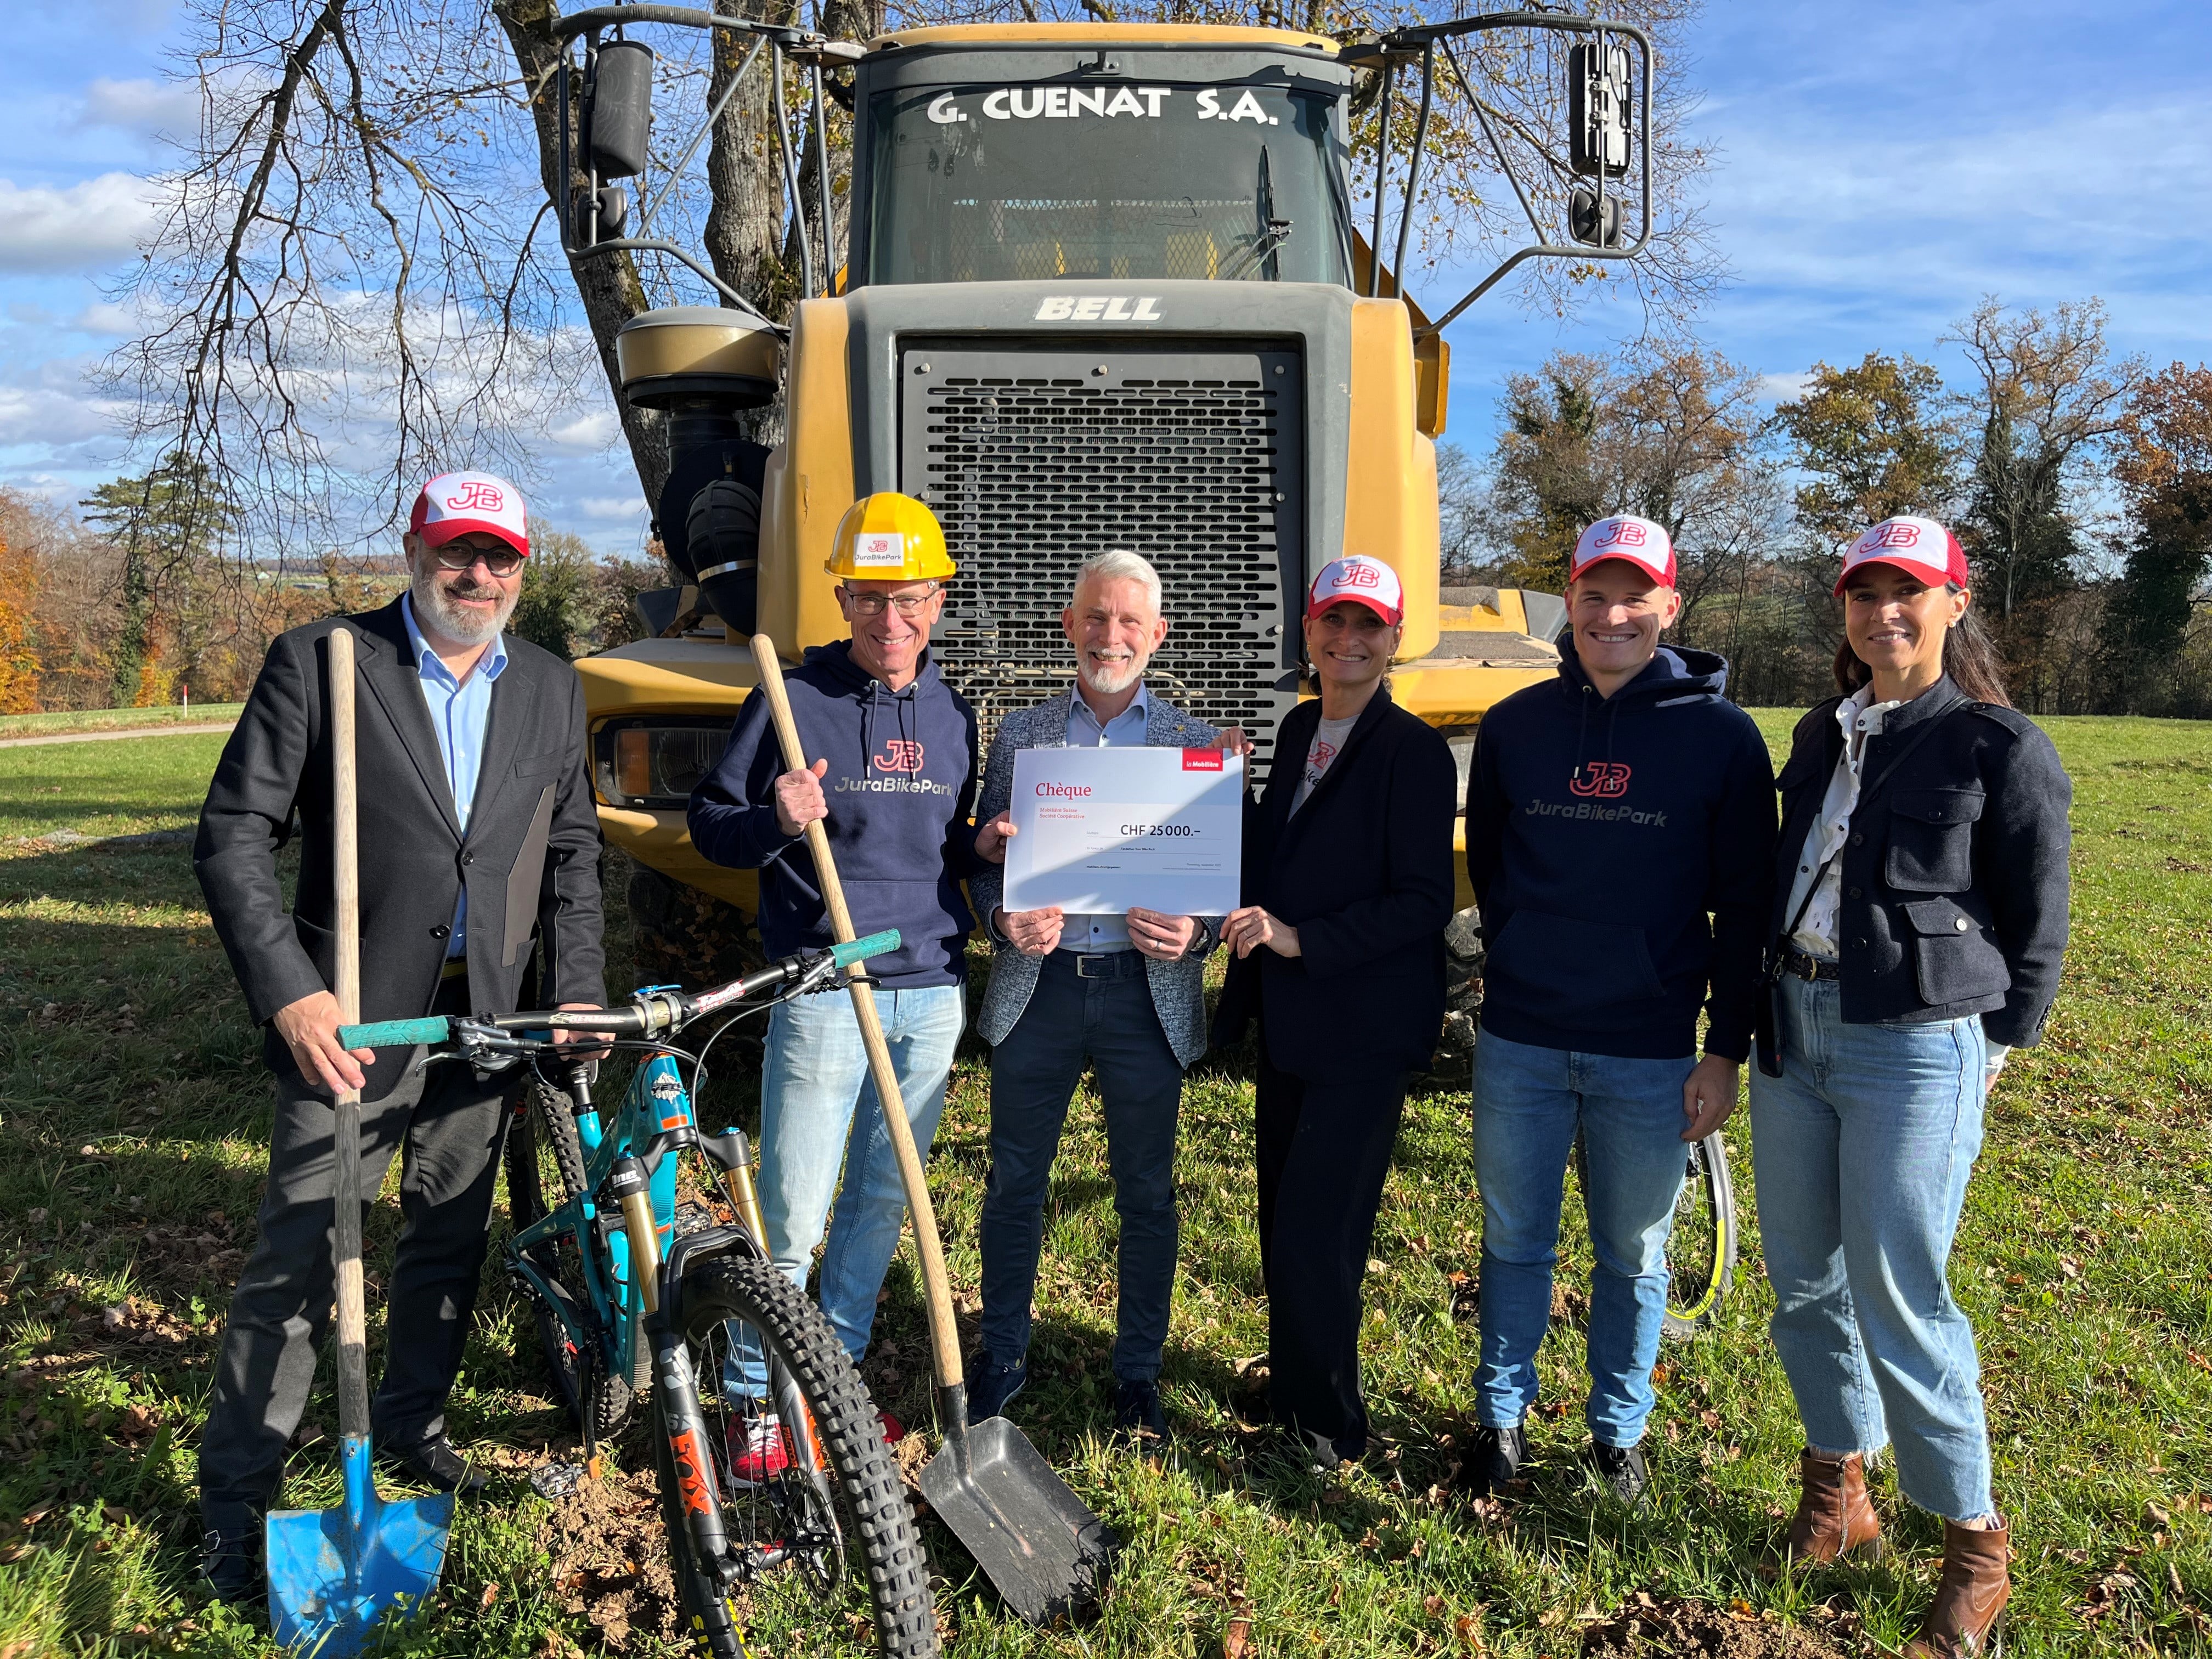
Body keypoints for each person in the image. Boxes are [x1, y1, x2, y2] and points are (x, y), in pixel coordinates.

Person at [193, 471, 606, 1599]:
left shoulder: (552, 690)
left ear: (523, 567)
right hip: (354, 1018)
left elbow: (571, 852)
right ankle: (236, 1501)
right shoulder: (326, 660)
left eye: (500, 557)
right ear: (416, 547)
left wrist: (571, 991)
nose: (478, 575)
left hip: (490, 1021)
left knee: (443, 1239)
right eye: (457, 552)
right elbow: (233, 835)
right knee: (303, 1254)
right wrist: (292, 990)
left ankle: (413, 1429)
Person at [1750, 516, 2068, 1657]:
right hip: (1793, 1029)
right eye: (1863, 592)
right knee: (1804, 1284)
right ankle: (1839, 1494)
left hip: (1914, 1045)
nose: (1883, 611)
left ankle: (1975, 1543)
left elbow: (2039, 918)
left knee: (1902, 1292)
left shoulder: (1996, 745)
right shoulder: (1818, 733)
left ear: (1952, 603)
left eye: (1908, 592)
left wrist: (1994, 1052)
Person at [1461, 514, 1776, 1507]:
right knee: (1515, 1240)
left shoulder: (1721, 738)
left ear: (1670, 607)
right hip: (1520, 1035)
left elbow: (1748, 907)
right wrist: (1520, 954)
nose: (1612, 615)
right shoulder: (1517, 725)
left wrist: (1723, 1048)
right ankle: (1500, 1422)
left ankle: (1616, 1433)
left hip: (1648, 1048)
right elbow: (1498, 870)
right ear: (1571, 601)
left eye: (1636, 596)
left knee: (1634, 1254)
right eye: (1595, 595)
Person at [687, 492, 978, 1468]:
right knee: (798, 1210)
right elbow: (711, 827)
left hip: (929, 988)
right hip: (824, 986)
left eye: (910, 601)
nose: (889, 623)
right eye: (868, 601)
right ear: (844, 599)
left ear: (938, 600)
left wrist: (986, 850)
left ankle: (832, 1376)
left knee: (881, 1205)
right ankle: (751, 1400)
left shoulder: (954, 715)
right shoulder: (790, 698)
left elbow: (949, 854)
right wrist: (773, 813)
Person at [966, 551, 1239, 1439]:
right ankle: (1001, 1353)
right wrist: (1003, 920)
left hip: (1141, 996)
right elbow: (983, 860)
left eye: (1129, 622)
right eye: (1095, 617)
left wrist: (1194, 933)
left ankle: (1139, 1374)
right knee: (1013, 1183)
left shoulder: (1197, 748)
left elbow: (1217, 883)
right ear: (1068, 627)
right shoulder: (1021, 736)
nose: (1110, 636)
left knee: (1146, 1194)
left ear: (1157, 636)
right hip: (1039, 990)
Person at [1212, 555, 1458, 1471]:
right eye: (1333, 623)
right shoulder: (1300, 727)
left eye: (1369, 627)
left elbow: (1423, 900)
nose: (1348, 641)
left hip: (1361, 1026)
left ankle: (1329, 1430)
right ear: (1308, 632)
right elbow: (1281, 853)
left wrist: (1301, 939)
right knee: (1285, 1218)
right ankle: (1295, 1387)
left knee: (1323, 1232)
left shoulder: (1414, 753)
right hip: (1293, 1023)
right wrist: (1226, 794)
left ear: (1395, 640)